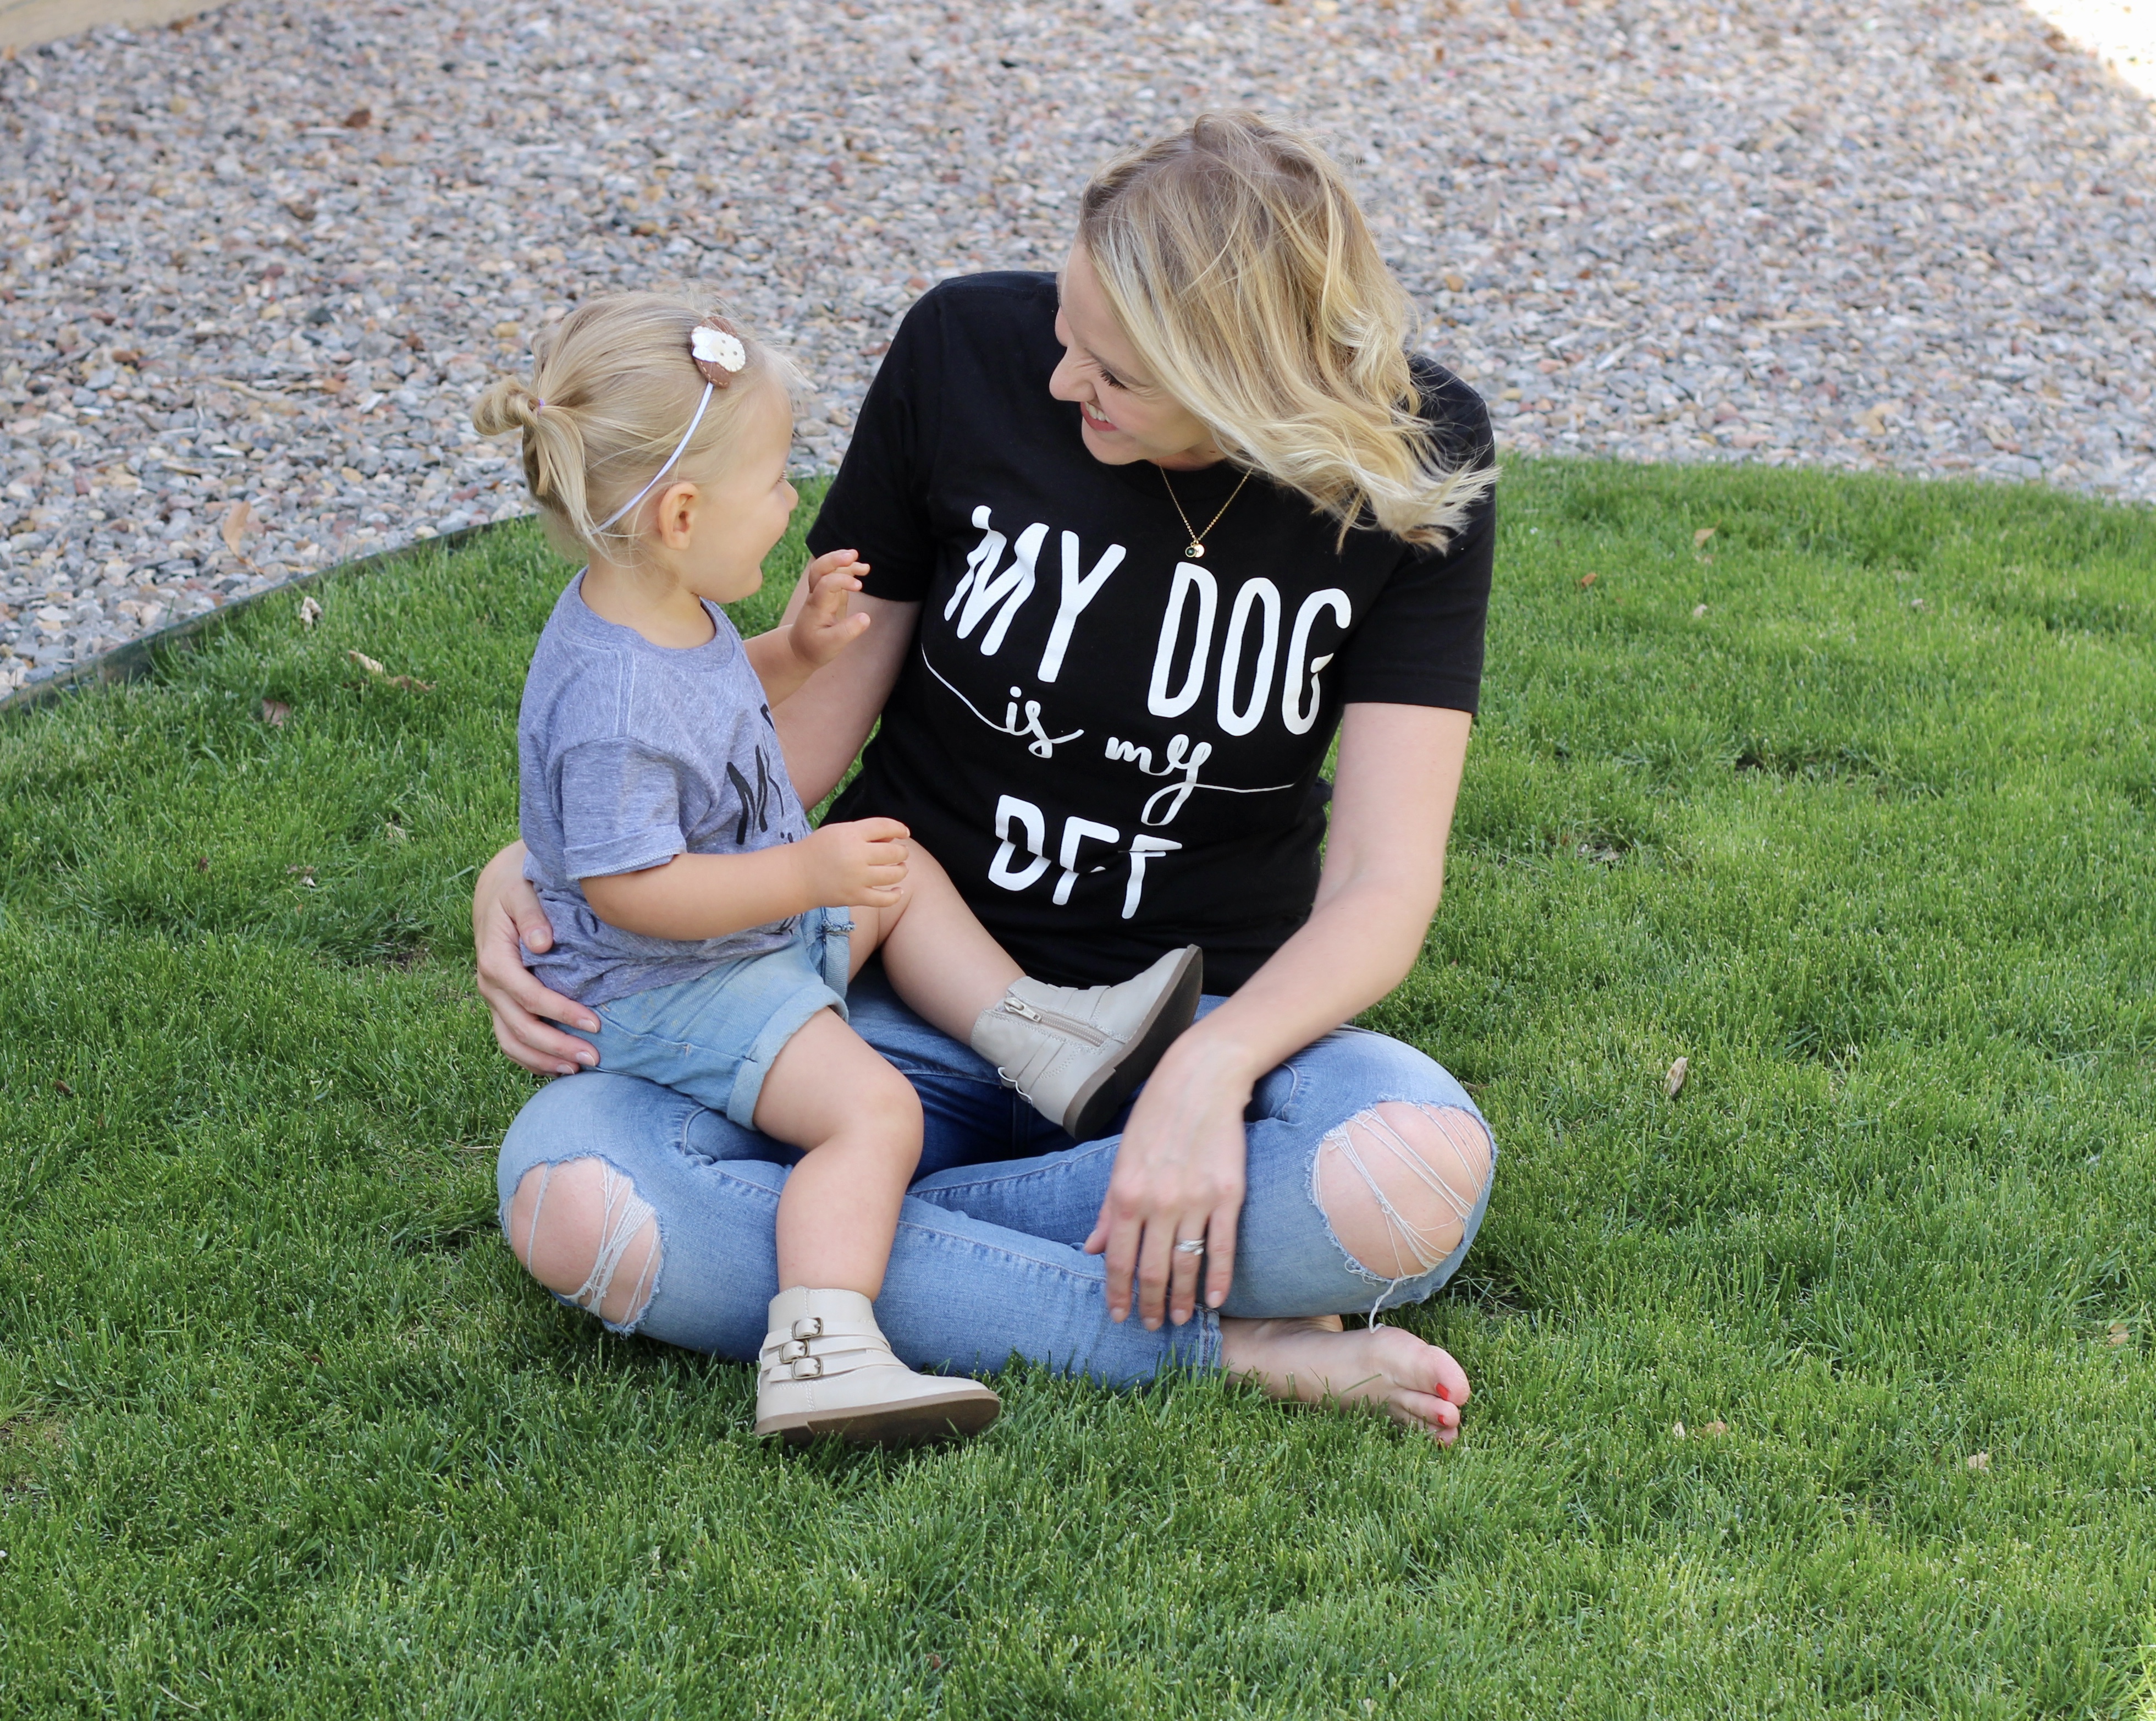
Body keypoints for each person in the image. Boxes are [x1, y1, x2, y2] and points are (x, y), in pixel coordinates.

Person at [475, 112, 1501, 1444]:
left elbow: (1378, 877)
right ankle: (1194, 1335)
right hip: (863, 1008)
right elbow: (788, 741)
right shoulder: (966, 353)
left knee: (1405, 1167)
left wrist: (1207, 1078)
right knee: (572, 1177)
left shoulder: (1410, 463)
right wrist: (548, 861)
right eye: (1066, 326)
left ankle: (852, 1245)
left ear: (1238, 382)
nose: (1061, 376)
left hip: (1186, 1027)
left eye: (1110, 370)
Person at [475, 295, 1203, 1443]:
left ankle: (1045, 1038)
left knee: (896, 866)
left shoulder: (663, 608)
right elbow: (631, 892)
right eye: (772, 484)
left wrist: (797, 651)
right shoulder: (609, 696)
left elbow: (713, 704)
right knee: (873, 1108)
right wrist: (802, 873)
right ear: (678, 512)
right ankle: (820, 1339)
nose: (790, 507)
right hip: (669, 990)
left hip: (729, 943)